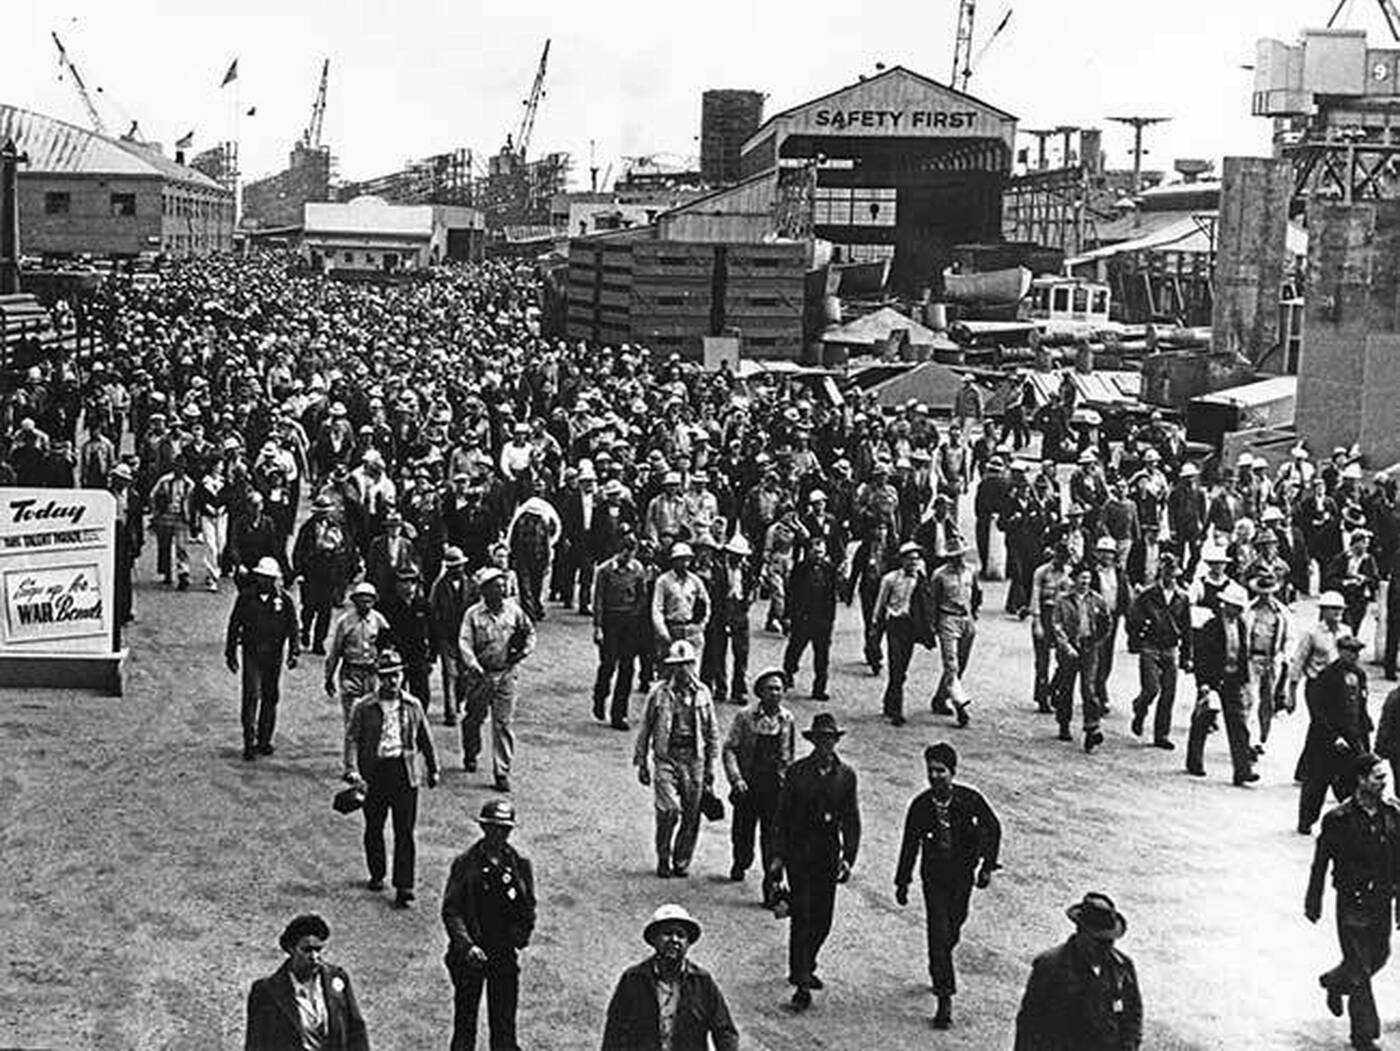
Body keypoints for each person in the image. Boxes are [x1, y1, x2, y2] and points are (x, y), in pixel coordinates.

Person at [893, 742, 1001, 1030]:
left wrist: (988, 866)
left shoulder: (970, 800)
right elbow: (909, 845)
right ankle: (944, 997)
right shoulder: (920, 806)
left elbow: (994, 827)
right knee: (938, 932)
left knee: (954, 926)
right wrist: (902, 881)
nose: (935, 777)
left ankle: (939, 961)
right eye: (931, 771)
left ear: (952, 772)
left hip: (962, 876)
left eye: (941, 771)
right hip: (935, 878)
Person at [1305, 753, 1400, 1051]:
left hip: (1382, 899)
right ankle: (1364, 1034)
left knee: (1380, 955)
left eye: (1385, 777)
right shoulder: (1338, 819)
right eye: (1377, 777)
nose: (1383, 783)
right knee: (1359, 967)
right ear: (1361, 779)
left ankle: (1335, 981)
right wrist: (1313, 900)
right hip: (1352, 901)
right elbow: (1320, 862)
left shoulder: (1392, 814)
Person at [771, 712, 861, 1011]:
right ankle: (801, 980)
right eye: (821, 739)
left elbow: (851, 819)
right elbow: (782, 816)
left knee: (824, 919)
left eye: (830, 739)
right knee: (803, 915)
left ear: (836, 742)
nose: (826, 744)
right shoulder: (798, 773)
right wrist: (778, 857)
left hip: (827, 855)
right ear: (813, 741)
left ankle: (806, 962)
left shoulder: (846, 776)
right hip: (799, 853)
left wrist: (848, 857)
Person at [344, 648, 440, 908]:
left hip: (404, 772)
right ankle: (377, 872)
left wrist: (433, 768)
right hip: (375, 772)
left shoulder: (413, 705)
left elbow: (425, 738)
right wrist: (351, 768)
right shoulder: (365, 707)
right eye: (386, 676)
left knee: (405, 831)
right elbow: (353, 738)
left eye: (396, 675)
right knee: (374, 826)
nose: (392, 681)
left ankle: (404, 885)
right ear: (378, 678)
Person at [442, 799, 537, 1051]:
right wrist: (466, 946)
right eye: (494, 827)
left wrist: (521, 936)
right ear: (484, 828)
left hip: (503, 953)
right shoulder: (466, 863)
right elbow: (452, 910)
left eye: (505, 829)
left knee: (504, 1025)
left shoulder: (518, 864)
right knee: (465, 1024)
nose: (499, 834)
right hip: (471, 954)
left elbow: (528, 906)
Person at [1013, 892, 1143, 1051]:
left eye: (1110, 941)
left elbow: (1133, 1014)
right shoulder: (1050, 966)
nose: (1106, 948)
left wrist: (1129, 1045)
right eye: (1099, 941)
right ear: (1081, 932)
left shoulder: (1122, 967)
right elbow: (1029, 1023)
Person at [600, 904, 739, 1051]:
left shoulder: (702, 982)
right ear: (654, 939)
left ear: (688, 943)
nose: (674, 940)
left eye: (680, 935)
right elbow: (614, 1032)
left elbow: (725, 1031)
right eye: (667, 933)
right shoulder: (633, 979)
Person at [634, 640, 719, 879]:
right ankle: (663, 856)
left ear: (693, 665)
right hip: (666, 756)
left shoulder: (703, 693)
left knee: (692, 814)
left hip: (694, 759)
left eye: (686, 665)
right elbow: (645, 728)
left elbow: (712, 731)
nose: (682, 670)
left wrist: (711, 766)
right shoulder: (659, 693)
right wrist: (641, 761)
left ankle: (681, 860)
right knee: (669, 809)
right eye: (677, 665)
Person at [722, 666, 795, 907]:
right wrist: (736, 779)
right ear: (760, 692)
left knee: (773, 839)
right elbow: (730, 748)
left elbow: (789, 755)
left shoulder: (787, 719)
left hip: (775, 789)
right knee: (743, 833)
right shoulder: (745, 717)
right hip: (749, 785)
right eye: (770, 689)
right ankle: (741, 861)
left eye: (779, 689)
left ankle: (771, 887)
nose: (775, 693)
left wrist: (790, 786)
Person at [458, 566, 536, 792]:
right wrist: (473, 664)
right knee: (474, 717)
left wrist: (524, 652)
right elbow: (464, 642)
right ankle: (471, 752)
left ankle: (502, 771)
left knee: (503, 723)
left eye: (503, 586)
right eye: (496, 587)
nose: (502, 591)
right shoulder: (472, 615)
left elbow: (529, 632)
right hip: (481, 676)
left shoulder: (514, 611)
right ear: (485, 591)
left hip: (506, 675)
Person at [245, 914, 369, 1051]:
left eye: (318, 949)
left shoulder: (337, 978)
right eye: (307, 950)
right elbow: (256, 1043)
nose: (314, 957)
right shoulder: (266, 991)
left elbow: (356, 1030)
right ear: (291, 949)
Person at [224, 556, 300, 761]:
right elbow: (234, 625)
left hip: (274, 656)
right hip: (252, 654)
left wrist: (294, 651)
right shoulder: (246, 597)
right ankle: (249, 741)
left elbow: (293, 627)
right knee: (251, 696)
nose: (264, 581)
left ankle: (264, 739)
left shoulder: (284, 600)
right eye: (261, 577)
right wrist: (230, 652)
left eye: (269, 578)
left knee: (270, 696)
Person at [1299, 635, 1373, 835]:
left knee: (1352, 782)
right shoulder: (1327, 676)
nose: (1354, 655)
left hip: (1351, 737)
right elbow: (1318, 711)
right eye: (1350, 651)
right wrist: (1332, 736)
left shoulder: (1359, 675)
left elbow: (1361, 709)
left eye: (1357, 651)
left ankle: (1353, 824)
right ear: (1340, 651)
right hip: (1327, 739)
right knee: (1317, 782)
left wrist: (1364, 739)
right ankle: (1306, 821)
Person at [1187, 581, 1259, 786]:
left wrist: (1244, 681)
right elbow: (1202, 656)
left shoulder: (1242, 626)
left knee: (1238, 724)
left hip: (1233, 679)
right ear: (1225, 605)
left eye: (1239, 608)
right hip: (1213, 679)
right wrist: (1203, 683)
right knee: (1204, 719)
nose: (1237, 611)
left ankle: (1242, 769)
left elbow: (1243, 655)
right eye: (1234, 607)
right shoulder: (1212, 625)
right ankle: (1195, 761)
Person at [1126, 552, 1192, 750]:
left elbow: (1187, 629)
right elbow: (1132, 619)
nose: (1170, 577)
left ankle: (1161, 734)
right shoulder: (1147, 595)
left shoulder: (1182, 598)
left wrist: (1187, 656)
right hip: (1151, 646)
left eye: (1173, 573)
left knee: (1169, 693)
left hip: (1171, 647)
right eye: (1166, 573)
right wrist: (1138, 638)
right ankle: (1140, 707)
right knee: (1151, 688)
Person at [325, 581, 391, 766]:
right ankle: (350, 765)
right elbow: (335, 651)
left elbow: (388, 646)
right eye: (361, 601)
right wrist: (329, 677)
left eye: (369, 601)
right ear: (354, 602)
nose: (365, 605)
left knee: (373, 719)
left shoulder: (379, 621)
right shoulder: (345, 622)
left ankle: (369, 760)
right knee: (353, 720)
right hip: (351, 673)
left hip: (371, 674)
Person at [1051, 563, 1112, 751]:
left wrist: (1098, 641)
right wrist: (1066, 646)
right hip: (1069, 648)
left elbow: (1107, 622)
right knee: (1066, 687)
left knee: (1089, 688)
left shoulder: (1097, 600)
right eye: (1081, 578)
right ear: (1074, 579)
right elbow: (1057, 625)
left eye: (1088, 578)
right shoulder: (1063, 601)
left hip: (1090, 647)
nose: (1085, 582)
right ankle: (1064, 723)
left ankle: (1092, 728)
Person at [592, 529, 649, 729]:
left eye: (632, 552)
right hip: (610, 620)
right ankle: (600, 695)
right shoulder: (605, 571)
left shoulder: (638, 570)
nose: (628, 556)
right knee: (608, 664)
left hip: (629, 622)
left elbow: (642, 596)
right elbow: (598, 600)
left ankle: (619, 714)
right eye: (625, 552)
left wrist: (636, 616)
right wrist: (598, 627)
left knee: (627, 668)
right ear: (619, 551)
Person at [928, 538, 981, 726]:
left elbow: (976, 593)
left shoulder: (970, 571)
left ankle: (940, 697)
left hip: (966, 619)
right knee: (952, 665)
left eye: (960, 555)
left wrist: (974, 614)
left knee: (962, 664)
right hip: (947, 619)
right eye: (953, 557)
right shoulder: (939, 575)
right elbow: (933, 600)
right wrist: (933, 624)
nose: (957, 560)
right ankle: (960, 706)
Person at [873, 541, 925, 726]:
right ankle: (897, 710)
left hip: (910, 627)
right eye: (910, 559)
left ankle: (889, 701)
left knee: (902, 668)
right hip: (894, 624)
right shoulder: (890, 579)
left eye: (916, 559)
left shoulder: (921, 579)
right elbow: (880, 603)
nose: (913, 563)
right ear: (902, 561)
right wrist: (875, 625)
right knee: (896, 665)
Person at [782, 534, 839, 701]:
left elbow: (832, 597)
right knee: (795, 649)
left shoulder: (830, 570)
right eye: (815, 552)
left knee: (822, 656)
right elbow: (791, 594)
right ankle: (789, 672)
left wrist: (830, 620)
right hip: (802, 618)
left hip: (822, 620)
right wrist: (788, 616)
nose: (818, 556)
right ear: (809, 552)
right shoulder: (799, 569)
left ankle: (819, 688)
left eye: (821, 553)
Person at [429, 546, 474, 727]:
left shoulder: (471, 585)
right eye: (452, 567)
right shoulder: (438, 587)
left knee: (464, 674)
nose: (456, 570)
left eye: (459, 566)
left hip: (465, 637)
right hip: (446, 636)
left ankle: (458, 702)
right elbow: (433, 612)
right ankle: (450, 713)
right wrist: (436, 636)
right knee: (450, 674)